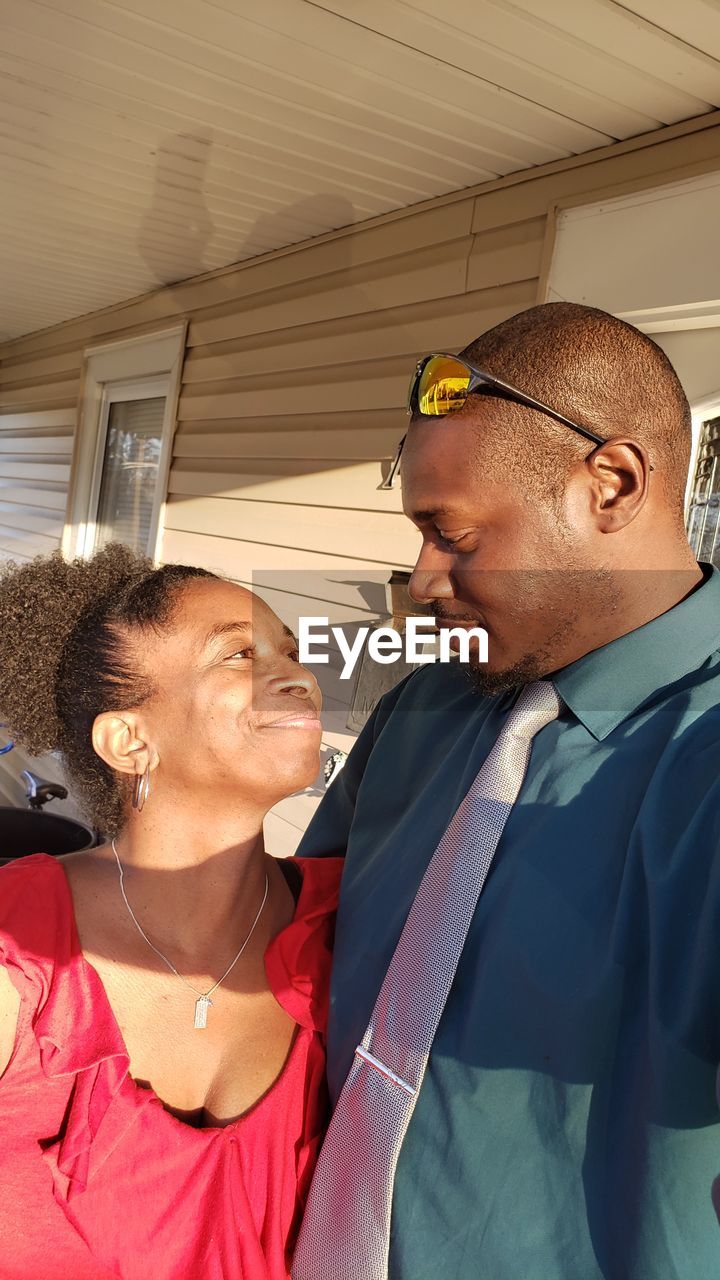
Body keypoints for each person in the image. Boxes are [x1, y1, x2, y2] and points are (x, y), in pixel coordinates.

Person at [292, 303, 720, 1279]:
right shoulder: (421, 714)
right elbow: (282, 943)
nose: (418, 576)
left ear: (610, 485)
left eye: (454, 534)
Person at [0, 543, 342, 1280]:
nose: (299, 676)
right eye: (239, 655)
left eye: (289, 649)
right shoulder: (15, 954)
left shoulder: (351, 927)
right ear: (129, 741)